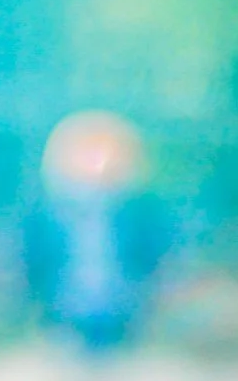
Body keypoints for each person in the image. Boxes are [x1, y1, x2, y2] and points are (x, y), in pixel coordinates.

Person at [21, 111, 172, 350]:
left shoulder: (140, 209)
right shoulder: (47, 211)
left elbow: (152, 255)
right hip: (64, 312)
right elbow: (33, 259)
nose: (99, 161)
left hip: (123, 312)